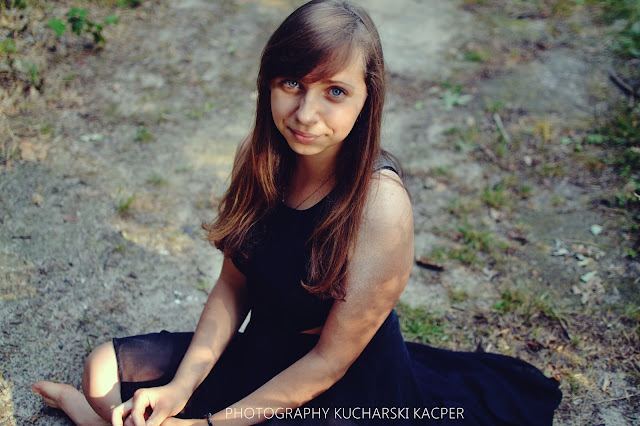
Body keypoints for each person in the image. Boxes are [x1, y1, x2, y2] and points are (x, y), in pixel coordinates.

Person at [32, 1, 562, 424]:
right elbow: (231, 288)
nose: (306, 114)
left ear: (367, 99)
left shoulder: (381, 204)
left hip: (346, 391)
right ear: (269, 82)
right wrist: (181, 387)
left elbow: (329, 362)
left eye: (335, 91)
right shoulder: (262, 159)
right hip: (263, 354)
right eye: (292, 84)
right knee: (101, 372)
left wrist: (211, 424)